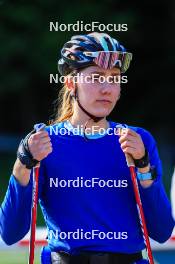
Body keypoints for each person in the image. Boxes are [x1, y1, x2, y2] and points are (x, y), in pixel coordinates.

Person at [0, 32, 174, 264]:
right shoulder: (44, 142)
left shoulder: (138, 140)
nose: (107, 88)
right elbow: (10, 234)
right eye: (96, 77)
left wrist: (143, 166)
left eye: (114, 78)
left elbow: (162, 231)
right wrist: (22, 165)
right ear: (71, 83)